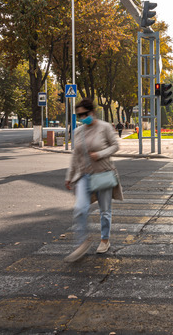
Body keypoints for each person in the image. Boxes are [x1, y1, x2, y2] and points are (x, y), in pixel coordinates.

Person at [64, 98, 123, 262]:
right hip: (84, 175)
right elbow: (75, 156)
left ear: (92, 112)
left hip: (103, 173)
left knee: (104, 211)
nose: (82, 117)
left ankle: (105, 240)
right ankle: (83, 241)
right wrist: (69, 176)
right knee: (80, 209)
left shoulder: (104, 127)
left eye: (85, 114)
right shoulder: (77, 131)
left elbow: (115, 146)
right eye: (79, 115)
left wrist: (100, 154)